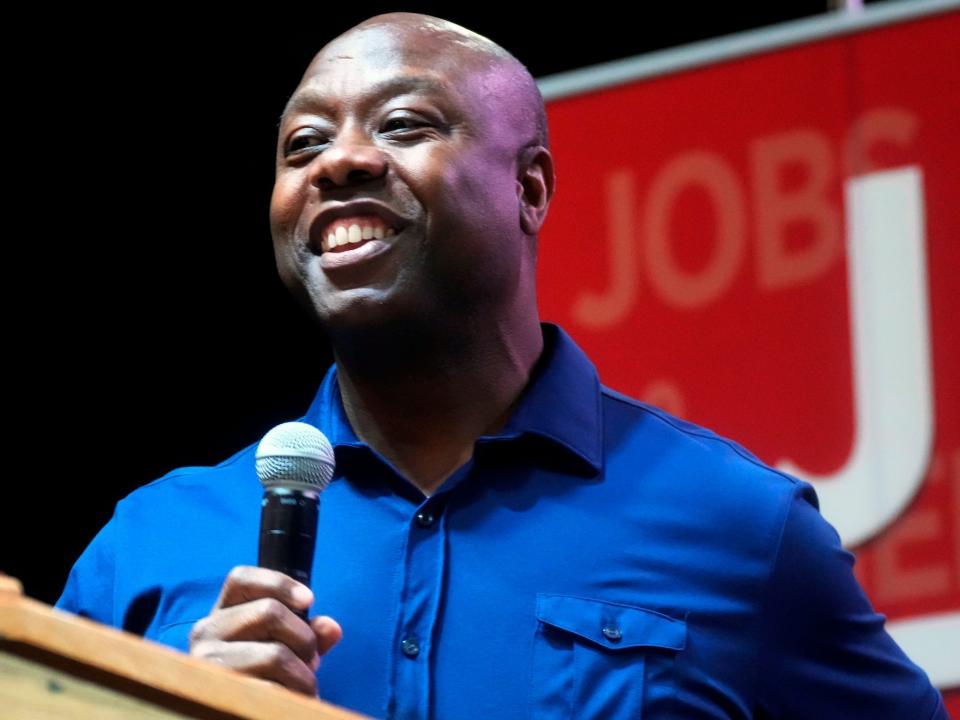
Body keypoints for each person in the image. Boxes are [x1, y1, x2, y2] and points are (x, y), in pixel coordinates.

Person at [55, 12, 948, 720]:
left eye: (403, 124)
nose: (341, 162)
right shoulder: (149, 543)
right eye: (303, 145)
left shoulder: (741, 528)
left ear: (529, 189)